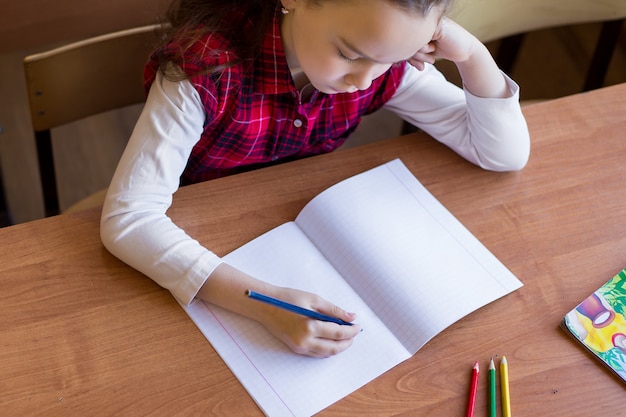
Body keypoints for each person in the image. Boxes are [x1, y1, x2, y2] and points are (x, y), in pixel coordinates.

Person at [101, 0, 530, 358]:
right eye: (348, 54)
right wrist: (260, 304)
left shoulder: (383, 62)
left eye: (391, 59)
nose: (363, 80)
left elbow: (501, 153)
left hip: (287, 219)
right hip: (203, 232)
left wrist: (472, 54)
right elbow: (130, 219)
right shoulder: (207, 70)